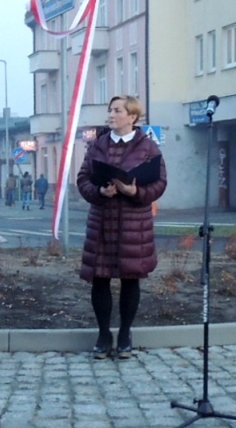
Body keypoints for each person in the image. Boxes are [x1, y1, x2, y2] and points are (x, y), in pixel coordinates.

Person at [77, 95, 166, 360]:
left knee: (130, 279)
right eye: (110, 109)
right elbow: (82, 179)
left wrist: (134, 190)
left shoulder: (148, 147)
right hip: (102, 222)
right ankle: (104, 335)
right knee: (100, 279)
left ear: (132, 117)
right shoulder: (97, 146)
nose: (111, 114)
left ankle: (125, 335)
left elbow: (160, 184)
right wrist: (99, 191)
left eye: (117, 110)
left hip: (133, 224)